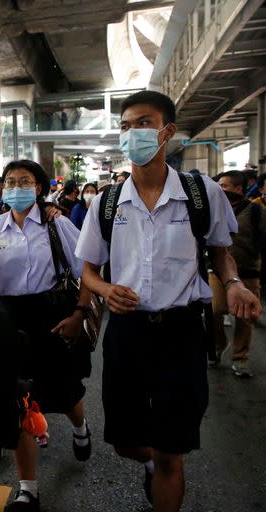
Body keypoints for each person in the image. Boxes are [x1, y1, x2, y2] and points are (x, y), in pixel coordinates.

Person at [76, 90, 261, 512]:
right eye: (125, 126)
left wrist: (233, 283)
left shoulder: (202, 193)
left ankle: (161, 466)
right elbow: (87, 271)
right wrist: (106, 291)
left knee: (169, 451)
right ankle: (147, 461)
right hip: (126, 334)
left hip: (181, 333)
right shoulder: (105, 203)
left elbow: (220, 253)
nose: (132, 133)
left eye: (143, 123)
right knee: (127, 443)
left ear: (167, 131)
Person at [0, 159, 94, 512]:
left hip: (52, 316)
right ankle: (28, 488)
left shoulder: (57, 225)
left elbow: (88, 270)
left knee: (63, 391)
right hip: (9, 319)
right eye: (9, 181)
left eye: (24, 181)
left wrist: (78, 313)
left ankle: (80, 427)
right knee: (18, 399)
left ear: (38, 188)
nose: (16, 187)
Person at [211, 171, 266, 377]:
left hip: (249, 272)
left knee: (245, 317)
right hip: (217, 272)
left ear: (238, 189)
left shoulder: (256, 212)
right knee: (214, 311)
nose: (221, 190)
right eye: (219, 186)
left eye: (225, 186)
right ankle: (218, 343)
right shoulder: (215, 210)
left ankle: (240, 358)